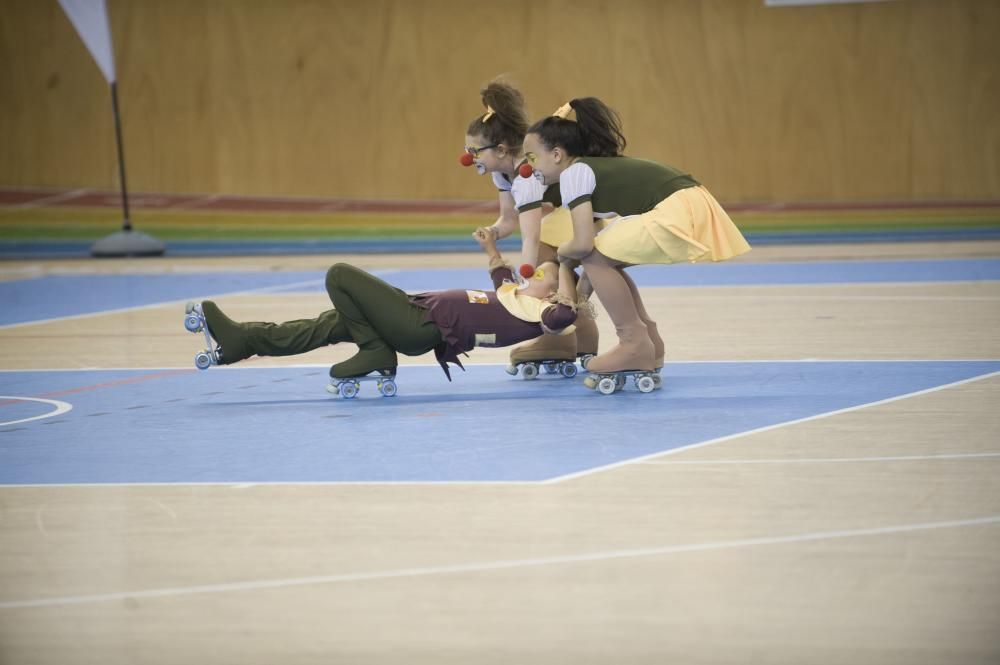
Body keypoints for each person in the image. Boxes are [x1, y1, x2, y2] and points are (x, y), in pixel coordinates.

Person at [521, 98, 751, 376]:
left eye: (531, 158)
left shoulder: (574, 174)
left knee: (594, 254)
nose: (527, 167)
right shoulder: (586, 170)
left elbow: (582, 245)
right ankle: (649, 342)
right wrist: (577, 289)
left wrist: (562, 257)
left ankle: (633, 344)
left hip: (676, 208)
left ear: (557, 155)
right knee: (604, 258)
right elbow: (590, 254)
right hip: (691, 203)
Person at [192, 229, 580, 382]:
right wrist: (490, 248)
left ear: (551, 292)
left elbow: (564, 315)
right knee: (329, 323)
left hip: (417, 325)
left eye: (540, 276)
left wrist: (563, 265)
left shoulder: (538, 312)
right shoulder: (515, 297)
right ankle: (242, 341)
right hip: (413, 314)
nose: (531, 276)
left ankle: (378, 353)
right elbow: (501, 275)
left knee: (340, 275)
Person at [461, 79, 601, 368]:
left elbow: (531, 237)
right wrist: (493, 232)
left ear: (500, 150)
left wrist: (525, 288)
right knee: (558, 275)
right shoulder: (502, 175)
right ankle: (580, 337)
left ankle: (558, 336)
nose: (468, 158)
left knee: (544, 272)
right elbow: (510, 219)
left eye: (475, 151)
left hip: (579, 222)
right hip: (561, 225)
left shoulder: (527, 174)